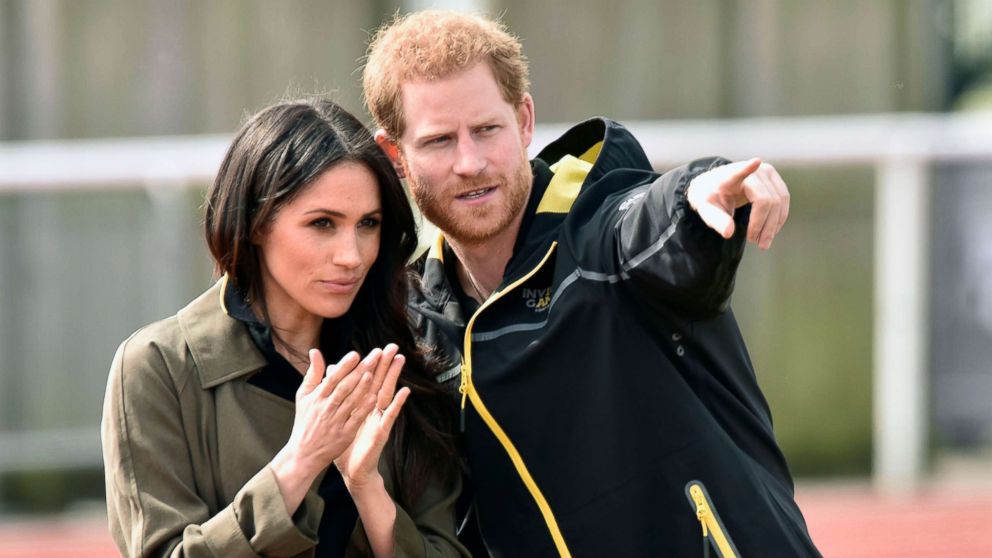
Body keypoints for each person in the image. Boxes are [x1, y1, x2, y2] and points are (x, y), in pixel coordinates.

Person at [363, 10, 821, 557]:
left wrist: (698, 194)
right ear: (396, 156)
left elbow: (650, 224)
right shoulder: (419, 327)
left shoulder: (600, 232)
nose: (471, 161)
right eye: (440, 141)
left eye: (487, 129)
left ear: (525, 120)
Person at [101, 99, 470, 557]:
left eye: (368, 224)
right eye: (322, 224)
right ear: (256, 223)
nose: (351, 256)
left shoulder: (403, 358)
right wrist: (299, 463)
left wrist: (366, 486)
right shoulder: (159, 368)